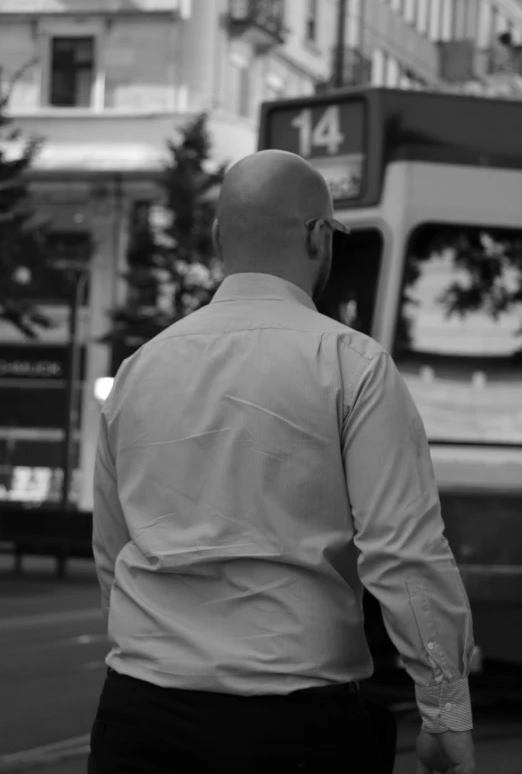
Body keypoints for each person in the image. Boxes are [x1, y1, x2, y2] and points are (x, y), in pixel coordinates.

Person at [89, 150, 475, 774]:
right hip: (296, 726)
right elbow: (405, 553)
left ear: (219, 238)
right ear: (319, 236)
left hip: (138, 719)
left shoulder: (140, 370)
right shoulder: (354, 365)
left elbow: (112, 551)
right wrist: (446, 711)